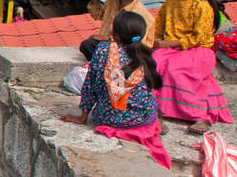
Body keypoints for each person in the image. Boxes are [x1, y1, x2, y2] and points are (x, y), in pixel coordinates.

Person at [62, 11, 170, 168]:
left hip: (111, 119)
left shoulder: (103, 51)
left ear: (115, 35)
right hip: (143, 119)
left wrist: (82, 117)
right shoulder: (145, 55)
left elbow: (91, 85)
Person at [150, 0, 232, 129]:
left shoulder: (203, 6)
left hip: (197, 49)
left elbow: (199, 37)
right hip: (170, 48)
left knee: (176, 70)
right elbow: (159, 24)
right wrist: (156, 42)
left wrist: (171, 43)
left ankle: (199, 115)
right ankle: (154, 110)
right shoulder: (171, 0)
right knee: (154, 63)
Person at [81, 0, 155, 60]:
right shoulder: (112, 3)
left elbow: (139, 47)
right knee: (87, 46)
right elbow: (97, 15)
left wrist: (107, 38)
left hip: (126, 54)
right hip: (109, 47)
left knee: (89, 45)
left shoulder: (141, 16)